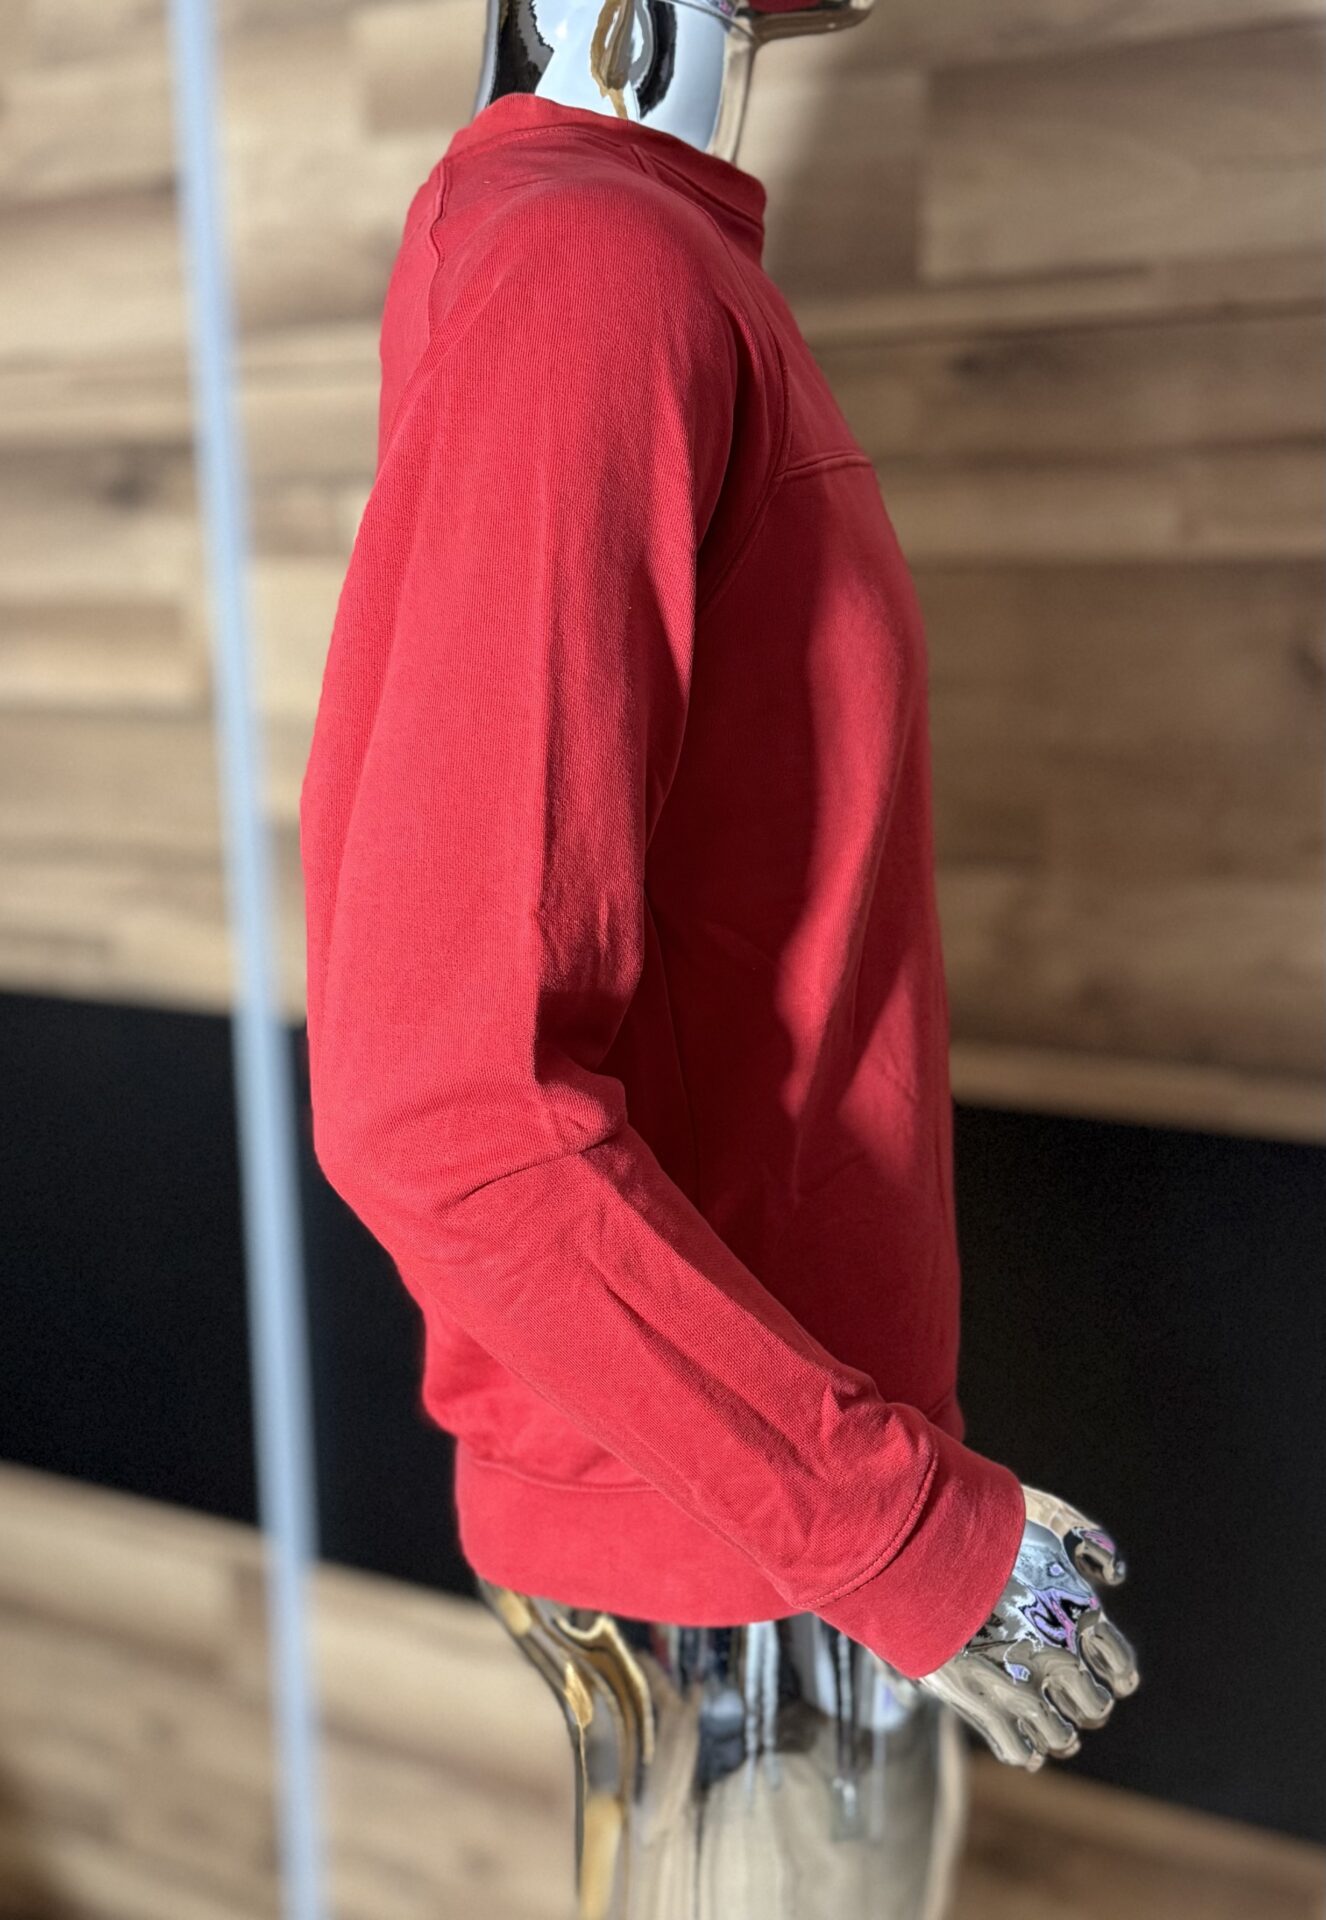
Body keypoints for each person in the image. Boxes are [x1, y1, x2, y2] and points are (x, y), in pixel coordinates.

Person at [298, 0, 1140, 1908]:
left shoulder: (617, 251)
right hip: (747, 1552)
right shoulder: (591, 272)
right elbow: (441, 1100)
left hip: (773, 1522)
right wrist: (899, 1532)